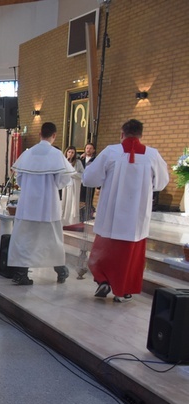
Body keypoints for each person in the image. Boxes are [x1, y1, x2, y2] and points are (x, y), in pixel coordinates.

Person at [82, 119, 169, 303]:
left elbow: (90, 179)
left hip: (110, 216)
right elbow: (161, 183)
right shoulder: (152, 155)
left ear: (122, 133)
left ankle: (103, 280)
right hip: (135, 219)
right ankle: (123, 291)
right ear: (141, 135)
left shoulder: (111, 152)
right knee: (130, 256)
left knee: (104, 252)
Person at [7, 122, 74, 285]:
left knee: (25, 239)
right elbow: (63, 179)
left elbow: (20, 179)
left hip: (28, 205)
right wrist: (51, 187)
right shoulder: (56, 155)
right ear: (54, 135)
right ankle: (60, 271)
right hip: (48, 206)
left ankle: (21, 273)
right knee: (52, 238)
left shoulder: (28, 154)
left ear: (40, 134)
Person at [61, 146, 84, 226]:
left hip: (74, 184)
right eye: (69, 152)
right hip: (66, 185)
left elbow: (82, 173)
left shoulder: (78, 162)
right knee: (65, 201)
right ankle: (64, 221)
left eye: (72, 152)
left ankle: (72, 221)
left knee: (73, 201)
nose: (70, 154)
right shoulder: (63, 161)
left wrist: (73, 174)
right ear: (66, 152)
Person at [80, 142, 97, 220]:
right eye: (87, 148)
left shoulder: (96, 160)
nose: (88, 150)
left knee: (88, 200)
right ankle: (80, 215)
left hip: (90, 183)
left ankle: (87, 216)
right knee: (80, 199)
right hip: (81, 183)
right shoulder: (81, 159)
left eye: (90, 148)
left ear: (93, 150)